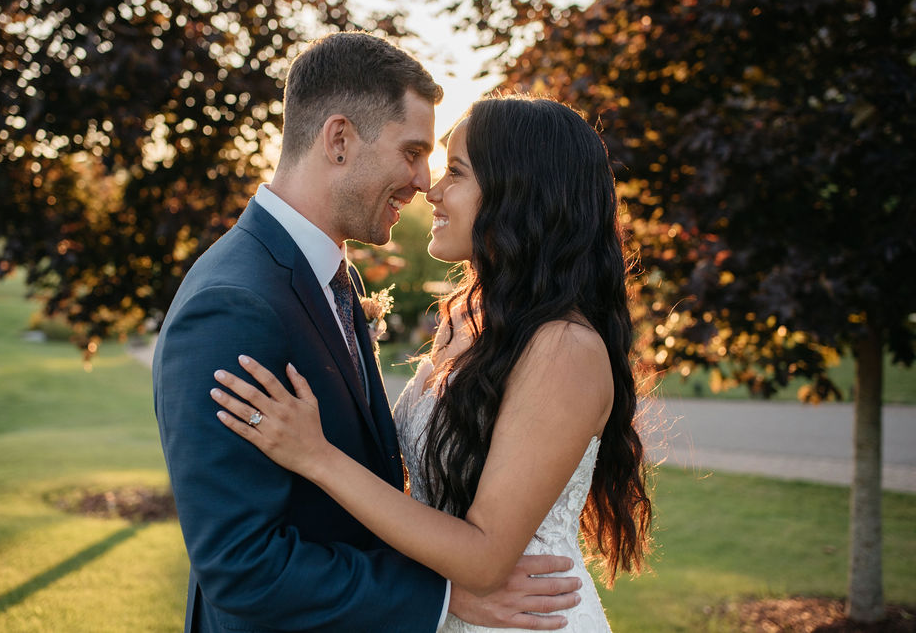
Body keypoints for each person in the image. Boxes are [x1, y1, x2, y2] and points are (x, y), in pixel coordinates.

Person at [154, 35, 582, 633]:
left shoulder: (330, 276)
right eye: (412, 152)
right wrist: (441, 597)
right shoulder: (236, 303)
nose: (422, 182)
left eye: (441, 163)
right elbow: (241, 567)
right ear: (338, 140)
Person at [210, 96, 653, 632]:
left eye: (456, 173)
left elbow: (486, 559)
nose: (432, 189)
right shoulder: (465, 320)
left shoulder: (565, 349)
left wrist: (316, 456)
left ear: (519, 195)